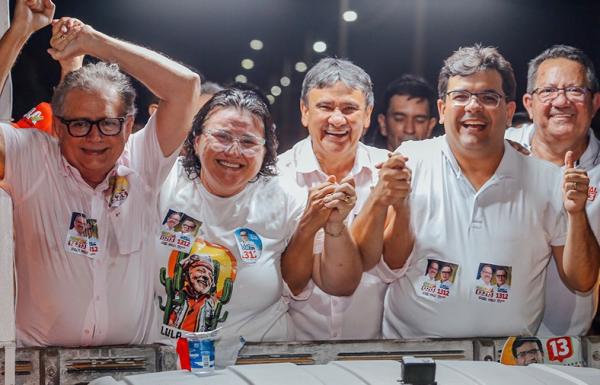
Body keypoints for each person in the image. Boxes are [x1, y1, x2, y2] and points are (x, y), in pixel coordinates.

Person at [353, 44, 600, 338]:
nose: (473, 106)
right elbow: (385, 261)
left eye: (488, 97)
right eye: (461, 96)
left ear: (509, 112)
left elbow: (582, 281)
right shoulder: (410, 161)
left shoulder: (547, 179)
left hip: (510, 363)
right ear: (442, 110)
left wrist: (576, 213)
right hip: (413, 354)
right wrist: (390, 203)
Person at [0, 1, 202, 347]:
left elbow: (186, 87)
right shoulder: (31, 156)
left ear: (127, 126)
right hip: (42, 371)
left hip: (132, 370)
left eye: (108, 123)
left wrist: (94, 42)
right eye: (79, 124)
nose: (95, 138)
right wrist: (19, 33)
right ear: (58, 126)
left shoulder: (143, 161)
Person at [152, 86, 362, 359]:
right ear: (196, 140)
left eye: (249, 142)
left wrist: (334, 226)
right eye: (222, 136)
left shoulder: (285, 196)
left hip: (255, 362)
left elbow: (339, 284)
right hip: (167, 363)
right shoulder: (162, 182)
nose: (233, 151)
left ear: (266, 152)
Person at [278, 57, 394, 340]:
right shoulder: (276, 176)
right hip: (295, 349)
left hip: (375, 351)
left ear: (367, 116)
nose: (338, 119)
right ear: (305, 112)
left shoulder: (390, 173)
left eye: (350, 108)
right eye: (325, 107)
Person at [505, 45, 600, 336]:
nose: (561, 101)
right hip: (487, 332)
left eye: (574, 90)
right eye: (547, 91)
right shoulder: (496, 151)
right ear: (528, 103)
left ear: (595, 102)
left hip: (567, 343)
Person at [372, 74, 438, 150]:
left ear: (430, 126)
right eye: (399, 119)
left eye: (419, 120)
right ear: (383, 124)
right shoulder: (363, 161)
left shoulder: (444, 161)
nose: (409, 130)